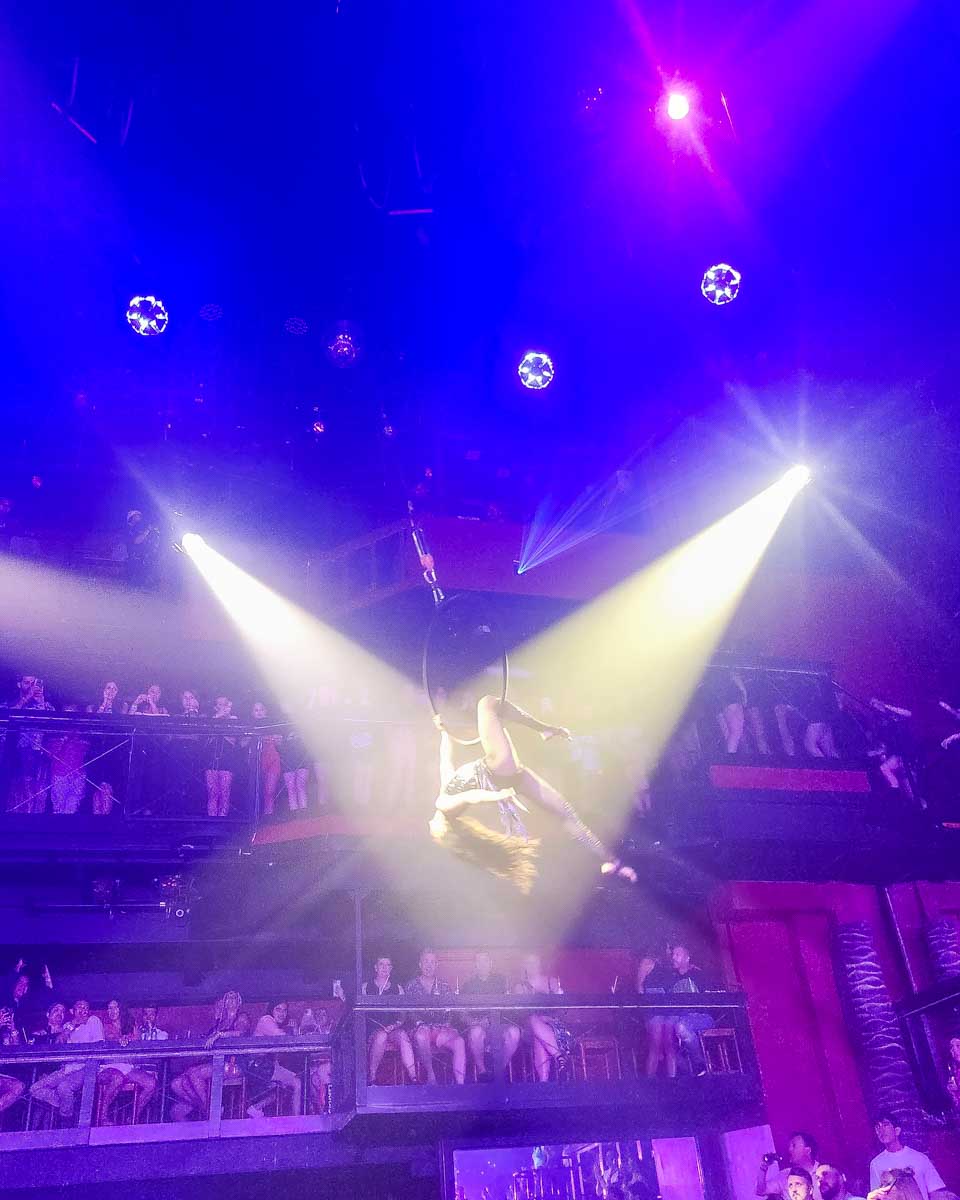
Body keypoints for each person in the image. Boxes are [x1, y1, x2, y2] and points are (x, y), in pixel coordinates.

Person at [429, 697, 636, 895]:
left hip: (513, 776)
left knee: (566, 814)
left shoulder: (445, 791)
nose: (430, 828)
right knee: (487, 704)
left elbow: (444, 760)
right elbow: (472, 796)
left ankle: (611, 862)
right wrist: (497, 795)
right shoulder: (444, 805)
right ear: (445, 830)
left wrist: (443, 731)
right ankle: (544, 729)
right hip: (496, 769)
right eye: (434, 833)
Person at [169, 990, 245, 1120]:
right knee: (177, 1083)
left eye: (234, 998)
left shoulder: (241, 1018)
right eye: (228, 998)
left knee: (194, 1074)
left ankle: (211, 1111)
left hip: (233, 1065)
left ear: (239, 1002)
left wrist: (219, 1035)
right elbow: (207, 1042)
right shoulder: (221, 1023)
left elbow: (240, 1032)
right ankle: (204, 1108)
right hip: (215, 1064)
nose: (231, 1000)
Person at [29, 998, 104, 1120]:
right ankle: (67, 1104)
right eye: (80, 1007)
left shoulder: (93, 1021)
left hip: (86, 1067)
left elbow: (99, 1045)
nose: (83, 1010)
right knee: (35, 1089)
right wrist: (72, 1025)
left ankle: (66, 1119)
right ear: (72, 1011)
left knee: (63, 1087)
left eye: (86, 1008)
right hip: (67, 1069)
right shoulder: (68, 1026)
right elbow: (59, 1042)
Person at [405, 948, 466, 1084]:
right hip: (420, 1030)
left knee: (459, 1041)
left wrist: (447, 1024)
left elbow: (450, 1010)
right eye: (426, 961)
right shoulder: (411, 985)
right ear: (420, 964)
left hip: (440, 1030)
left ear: (436, 965)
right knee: (421, 1035)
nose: (429, 965)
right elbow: (409, 1012)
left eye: (432, 962)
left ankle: (461, 1085)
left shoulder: (444, 985)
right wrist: (419, 1024)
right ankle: (431, 1077)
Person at [460, 951, 521, 1080]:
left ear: (491, 963)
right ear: (475, 965)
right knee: (476, 1032)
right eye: (479, 961)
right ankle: (482, 1072)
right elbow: (462, 1014)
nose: (483, 964)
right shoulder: (467, 985)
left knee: (514, 1032)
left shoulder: (501, 981)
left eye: (485, 961)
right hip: (478, 1027)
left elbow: (508, 1008)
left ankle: (499, 1070)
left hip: (499, 1025)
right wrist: (474, 1022)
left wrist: (494, 1019)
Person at [96, 1000, 157, 1124]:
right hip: (107, 1066)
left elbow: (137, 1041)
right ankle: (102, 1117)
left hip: (127, 1066)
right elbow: (110, 1036)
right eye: (109, 1008)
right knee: (117, 1078)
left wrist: (128, 1038)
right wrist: (120, 1038)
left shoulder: (131, 1024)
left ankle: (132, 1117)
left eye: (115, 1008)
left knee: (151, 1083)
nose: (111, 1011)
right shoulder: (105, 1025)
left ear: (121, 1009)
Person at [514, 952, 571, 1083]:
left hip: (555, 1028)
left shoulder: (552, 982)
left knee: (539, 1037)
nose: (532, 966)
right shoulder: (520, 987)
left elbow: (564, 1009)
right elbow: (523, 1012)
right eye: (528, 963)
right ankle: (560, 1057)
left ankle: (543, 1082)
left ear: (540, 964)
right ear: (524, 966)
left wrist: (549, 1019)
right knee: (534, 1021)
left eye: (534, 962)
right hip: (528, 1029)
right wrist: (542, 1019)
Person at [363, 956, 417, 1085]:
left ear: (391, 968)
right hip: (374, 1030)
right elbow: (362, 1014)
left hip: (393, 1028)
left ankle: (413, 1077)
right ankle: (372, 1077)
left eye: (388, 965)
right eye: (381, 964)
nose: (385, 968)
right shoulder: (365, 987)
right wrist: (380, 1027)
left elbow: (403, 1014)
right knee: (381, 1036)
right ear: (375, 968)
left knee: (403, 1036)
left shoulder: (398, 989)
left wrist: (395, 1025)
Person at [869, 1114, 948, 1200]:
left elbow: (935, 1191)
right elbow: (877, 1196)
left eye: (885, 1125)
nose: (881, 1130)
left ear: (897, 1130)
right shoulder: (876, 1163)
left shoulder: (920, 1158)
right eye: (877, 1127)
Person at [7, 675, 55, 813]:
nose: (31, 686)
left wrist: (41, 702)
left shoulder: (46, 705)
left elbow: (53, 726)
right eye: (27, 683)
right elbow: (9, 715)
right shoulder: (10, 702)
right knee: (14, 794)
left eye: (34, 683)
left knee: (37, 793)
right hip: (14, 756)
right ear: (19, 685)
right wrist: (26, 698)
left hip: (39, 757)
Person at [245, 1001, 302, 1117]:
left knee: (282, 1089)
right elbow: (281, 1037)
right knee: (296, 1083)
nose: (282, 1013)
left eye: (284, 1010)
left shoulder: (272, 1024)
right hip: (258, 1066)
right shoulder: (266, 1020)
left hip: (263, 1067)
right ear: (271, 1010)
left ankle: (255, 1109)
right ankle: (297, 1121)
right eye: (278, 1009)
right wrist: (294, 1031)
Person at [204, 695, 240, 817]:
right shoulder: (211, 719)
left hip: (227, 757)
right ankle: (212, 818)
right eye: (220, 704)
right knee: (212, 792)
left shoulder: (233, 719)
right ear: (215, 707)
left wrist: (225, 718)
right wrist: (217, 719)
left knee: (225, 791)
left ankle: (223, 818)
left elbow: (233, 739)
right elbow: (207, 738)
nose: (222, 706)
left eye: (225, 703)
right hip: (211, 757)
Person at [757, 1134, 820, 1199]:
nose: (790, 1149)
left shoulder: (823, 1173)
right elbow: (761, 1191)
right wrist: (763, 1167)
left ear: (808, 1150)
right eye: (789, 1146)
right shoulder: (785, 1174)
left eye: (794, 1146)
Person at [251, 702, 283, 816]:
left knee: (270, 790)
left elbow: (280, 742)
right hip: (257, 760)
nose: (259, 712)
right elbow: (243, 743)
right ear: (252, 713)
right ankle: (258, 817)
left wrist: (276, 738)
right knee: (257, 791)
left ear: (266, 711)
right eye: (256, 710)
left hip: (272, 758)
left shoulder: (272, 725)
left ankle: (269, 815)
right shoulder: (251, 726)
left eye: (261, 709)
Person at [125, 510, 161, 589]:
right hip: (135, 558)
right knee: (135, 581)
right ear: (132, 518)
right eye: (137, 516)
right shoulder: (129, 530)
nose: (139, 517)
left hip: (142, 558)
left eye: (139, 516)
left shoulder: (138, 529)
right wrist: (147, 531)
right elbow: (137, 541)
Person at [0, 1009, 26, 1117]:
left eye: (7, 1015)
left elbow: (17, 1051)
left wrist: (13, 1028)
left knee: (18, 1086)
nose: (4, 1017)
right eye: (2, 1013)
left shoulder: (11, 1032)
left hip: (6, 1076)